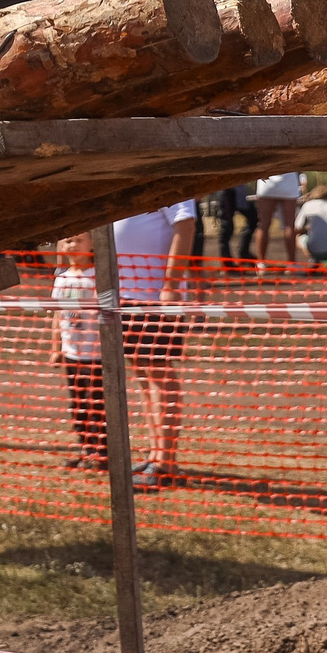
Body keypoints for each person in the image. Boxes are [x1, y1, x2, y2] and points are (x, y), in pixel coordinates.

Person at [110, 199, 199, 490]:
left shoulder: (172, 184)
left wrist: (171, 285)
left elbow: (185, 225)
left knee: (159, 374)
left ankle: (166, 461)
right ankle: (155, 454)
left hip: (156, 298)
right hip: (127, 298)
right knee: (143, 375)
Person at [50, 235, 105, 470]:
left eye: (79, 240)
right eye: (68, 240)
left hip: (96, 354)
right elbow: (57, 314)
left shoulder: (99, 276)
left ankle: (103, 453)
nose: (72, 245)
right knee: (79, 405)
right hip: (72, 353)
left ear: (92, 244)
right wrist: (56, 348)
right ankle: (86, 450)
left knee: (98, 405)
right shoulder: (61, 279)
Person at [254, 171, 303, 264]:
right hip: (289, 180)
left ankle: (260, 262)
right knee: (289, 224)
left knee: (263, 224)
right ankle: (291, 263)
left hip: (266, 181)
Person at [209, 181, 256, 262]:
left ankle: (244, 253)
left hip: (239, 190)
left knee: (253, 219)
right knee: (226, 226)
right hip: (224, 190)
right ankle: (226, 260)